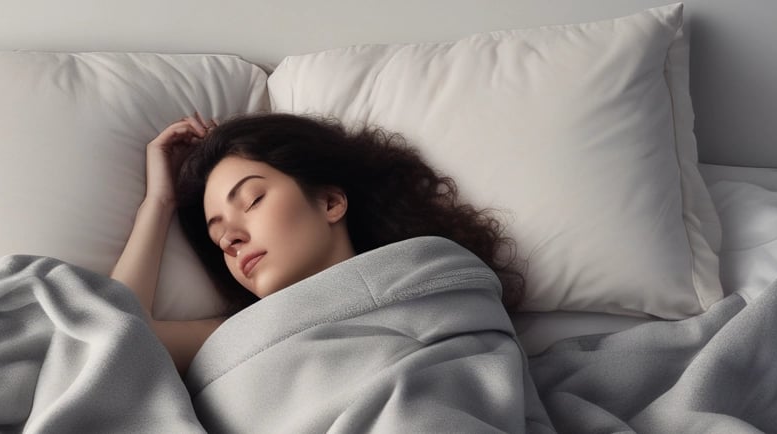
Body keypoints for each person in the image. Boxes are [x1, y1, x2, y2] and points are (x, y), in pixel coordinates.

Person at [111, 112, 524, 376]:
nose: (231, 238)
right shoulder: (235, 336)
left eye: (252, 200)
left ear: (330, 201)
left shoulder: (432, 279)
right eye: (219, 237)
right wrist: (158, 203)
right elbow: (111, 334)